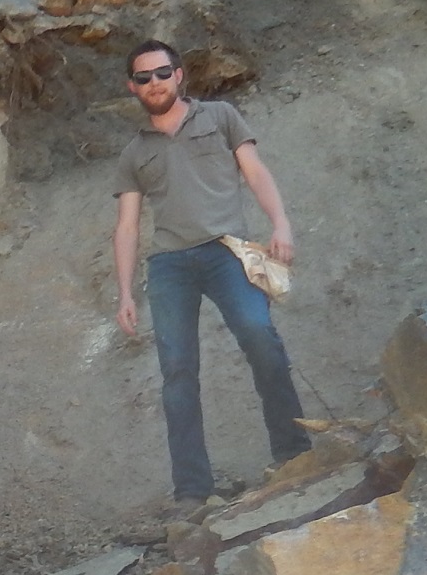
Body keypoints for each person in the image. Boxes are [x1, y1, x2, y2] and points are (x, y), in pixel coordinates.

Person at [111, 40, 311, 512]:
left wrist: (280, 224)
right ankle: (192, 491)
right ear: (132, 87)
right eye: (144, 78)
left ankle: (294, 454)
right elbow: (126, 226)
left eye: (163, 73)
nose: (154, 83)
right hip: (169, 266)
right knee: (177, 373)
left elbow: (256, 172)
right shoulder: (134, 153)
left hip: (228, 254)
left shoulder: (221, 117)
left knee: (260, 336)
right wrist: (124, 292)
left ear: (179, 75)